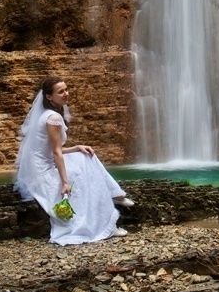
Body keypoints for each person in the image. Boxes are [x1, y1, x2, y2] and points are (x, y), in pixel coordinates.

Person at [14, 76, 134, 245]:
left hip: (40, 166)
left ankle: (116, 195)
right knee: (83, 172)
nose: (66, 94)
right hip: (42, 172)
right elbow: (56, 152)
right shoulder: (53, 118)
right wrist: (64, 182)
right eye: (60, 91)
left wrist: (76, 147)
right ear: (49, 96)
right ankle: (112, 205)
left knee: (84, 154)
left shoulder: (49, 114)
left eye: (66, 89)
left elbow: (51, 149)